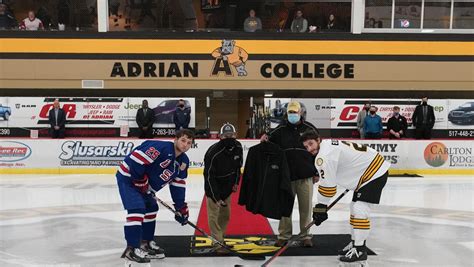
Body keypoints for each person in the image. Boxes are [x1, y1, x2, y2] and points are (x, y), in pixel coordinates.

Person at [300, 131, 390, 265]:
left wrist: (321, 207)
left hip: (374, 173)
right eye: (306, 147)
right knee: (354, 207)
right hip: (367, 172)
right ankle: (355, 244)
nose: (310, 149)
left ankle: (360, 250)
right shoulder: (327, 145)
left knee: (360, 209)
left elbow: (328, 187)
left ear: (318, 140)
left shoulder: (324, 156)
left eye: (311, 144)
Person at [117, 129, 194, 264]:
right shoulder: (160, 148)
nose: (185, 145)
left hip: (144, 185)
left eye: (189, 143)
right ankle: (131, 248)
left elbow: (178, 184)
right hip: (128, 178)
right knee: (137, 209)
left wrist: (180, 207)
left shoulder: (183, 162)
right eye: (183, 140)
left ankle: (145, 243)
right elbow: (135, 160)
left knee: (151, 208)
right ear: (175, 139)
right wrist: (140, 181)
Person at [261, 101, 319, 247]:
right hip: (286, 177)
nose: (292, 115)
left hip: (305, 176)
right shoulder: (280, 129)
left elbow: (318, 151)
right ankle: (284, 235)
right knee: (284, 208)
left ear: (301, 113)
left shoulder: (309, 129)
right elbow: (268, 140)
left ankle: (305, 236)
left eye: (295, 112)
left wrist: (316, 171)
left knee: (306, 208)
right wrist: (264, 138)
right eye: (290, 113)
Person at [204, 123, 243, 254]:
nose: (229, 138)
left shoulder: (238, 147)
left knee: (225, 215)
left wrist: (236, 182)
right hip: (213, 186)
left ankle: (221, 238)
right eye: (226, 136)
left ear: (236, 135)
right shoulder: (213, 152)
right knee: (213, 215)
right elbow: (209, 176)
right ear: (220, 137)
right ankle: (217, 243)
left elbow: (238, 167)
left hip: (228, 187)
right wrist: (215, 197)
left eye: (231, 135)